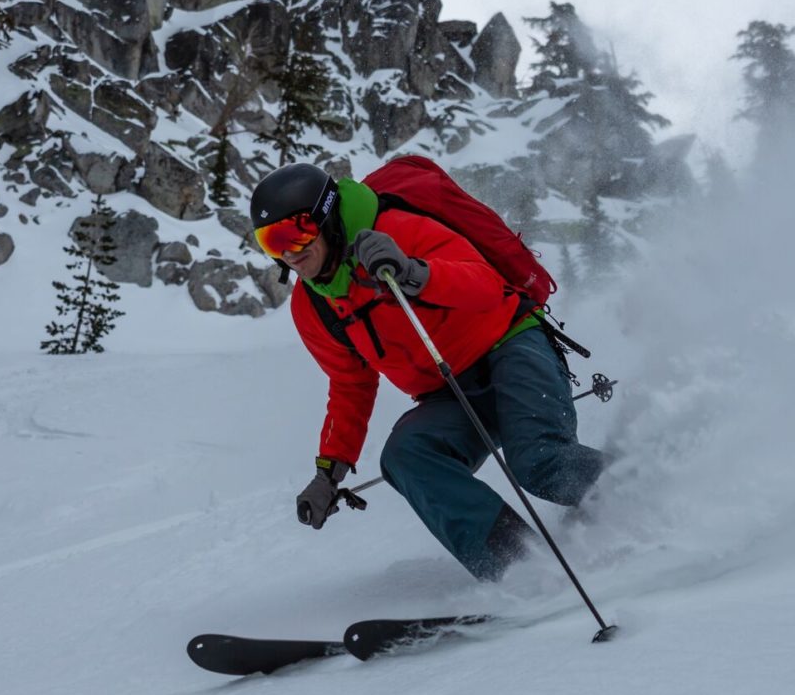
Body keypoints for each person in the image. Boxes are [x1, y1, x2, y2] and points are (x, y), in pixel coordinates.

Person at [248, 161, 605, 581]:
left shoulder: (398, 229)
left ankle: (646, 492)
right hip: (448, 393)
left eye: (299, 231)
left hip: (511, 344)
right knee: (406, 455)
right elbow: (351, 383)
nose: (290, 250)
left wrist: (415, 273)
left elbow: (487, 285)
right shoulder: (314, 307)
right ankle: (519, 569)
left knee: (540, 463)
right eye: (273, 240)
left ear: (326, 217)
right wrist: (330, 471)